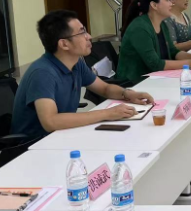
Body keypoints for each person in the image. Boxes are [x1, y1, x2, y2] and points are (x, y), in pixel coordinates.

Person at [11, 10, 155, 140]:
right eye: (81, 33)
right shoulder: (43, 73)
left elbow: (104, 89)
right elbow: (51, 121)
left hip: (62, 135)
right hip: (33, 146)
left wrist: (127, 94)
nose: (89, 37)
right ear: (64, 44)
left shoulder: (76, 63)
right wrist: (107, 114)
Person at [116, 0, 191, 87]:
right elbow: (156, 64)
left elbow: (173, 51)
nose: (171, 4)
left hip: (156, 79)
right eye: (167, 0)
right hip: (134, 84)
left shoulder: (162, 24)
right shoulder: (140, 28)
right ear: (154, 5)